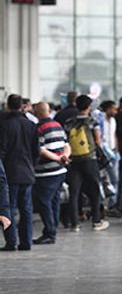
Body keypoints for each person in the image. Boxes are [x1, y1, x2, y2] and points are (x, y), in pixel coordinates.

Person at [0, 94, 40, 251]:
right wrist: (32, 165)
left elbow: (2, 150)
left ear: (8, 106)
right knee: (26, 209)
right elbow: (36, 150)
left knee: (9, 208)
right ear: (21, 106)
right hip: (28, 172)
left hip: (10, 172)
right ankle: (26, 242)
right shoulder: (31, 124)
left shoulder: (4, 125)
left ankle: (11, 242)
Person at [64, 95, 109, 232]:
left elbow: (66, 141)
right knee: (94, 190)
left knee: (74, 192)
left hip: (74, 161)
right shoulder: (92, 121)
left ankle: (75, 224)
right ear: (89, 107)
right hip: (90, 160)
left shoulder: (69, 122)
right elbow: (98, 141)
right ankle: (96, 221)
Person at [33, 102, 70, 245]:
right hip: (60, 171)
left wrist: (58, 158)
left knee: (44, 201)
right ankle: (52, 229)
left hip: (46, 172)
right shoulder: (57, 125)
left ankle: (50, 231)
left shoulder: (38, 128)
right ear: (48, 111)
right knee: (54, 201)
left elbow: (41, 150)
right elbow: (66, 144)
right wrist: (64, 158)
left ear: (36, 113)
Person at [100, 100, 121, 208]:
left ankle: (113, 203)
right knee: (102, 179)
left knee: (115, 178)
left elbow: (114, 135)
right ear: (108, 109)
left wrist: (116, 149)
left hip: (113, 152)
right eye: (114, 109)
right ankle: (102, 204)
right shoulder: (100, 120)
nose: (116, 111)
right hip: (103, 153)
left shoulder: (113, 120)